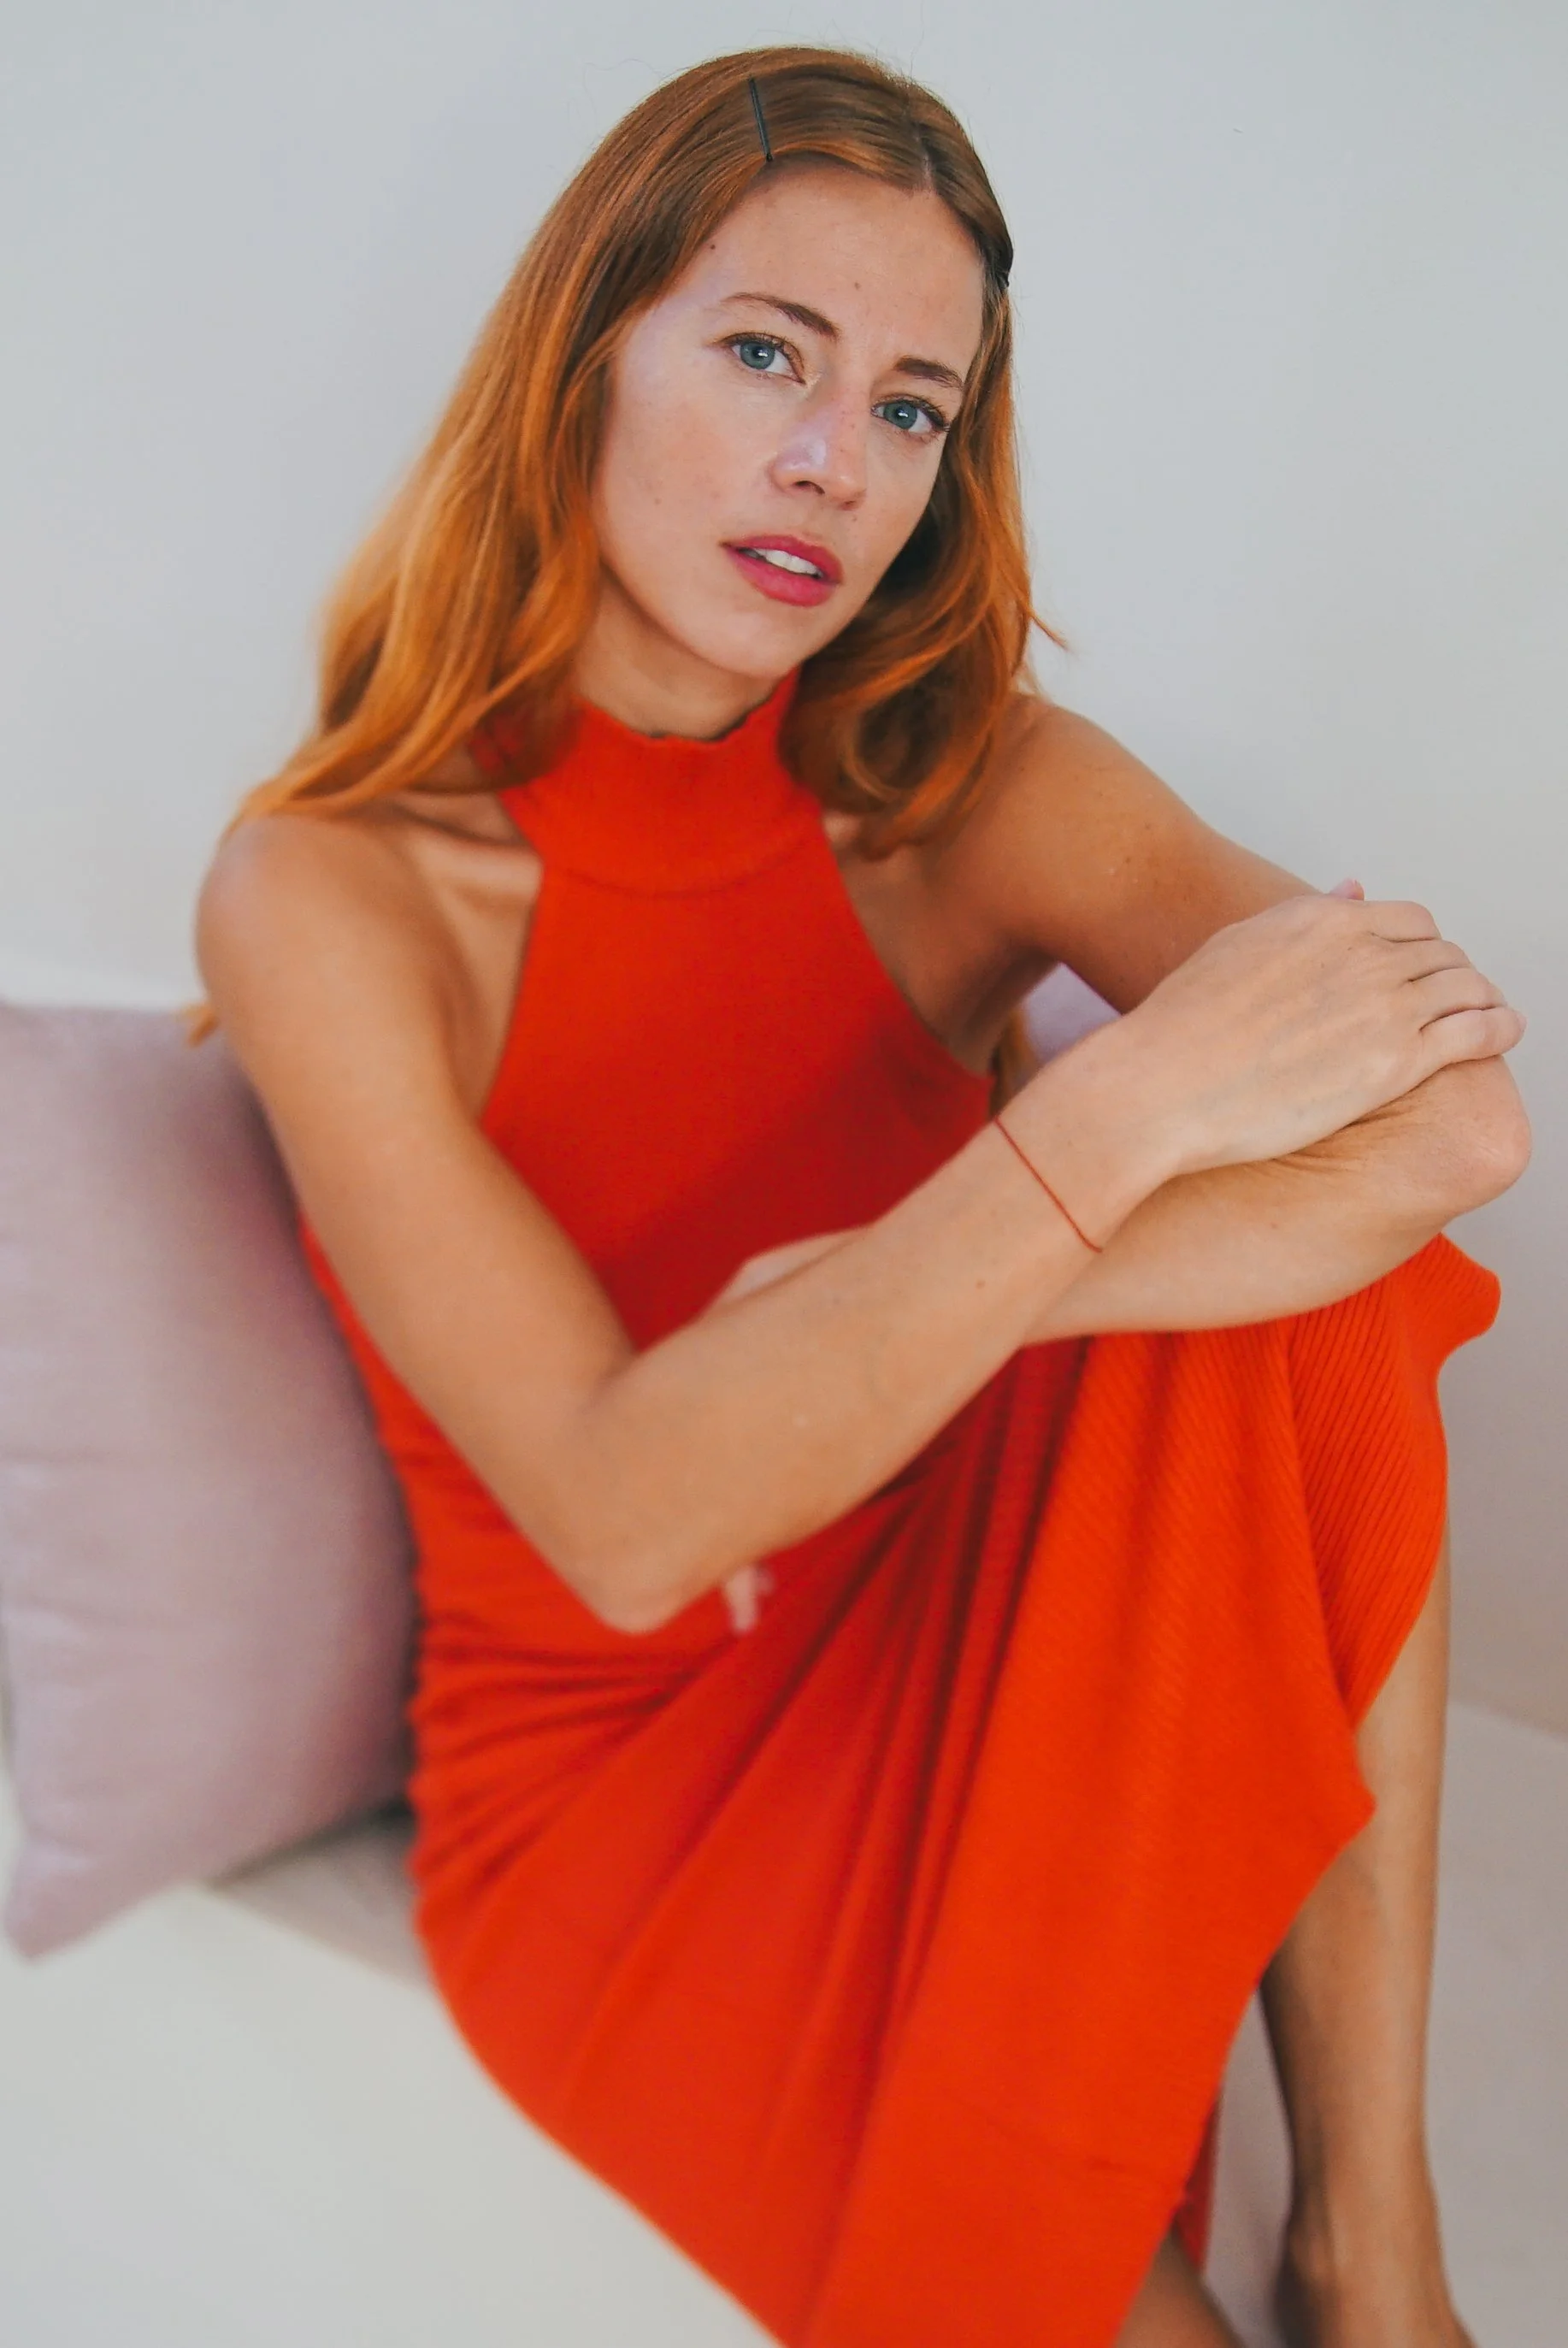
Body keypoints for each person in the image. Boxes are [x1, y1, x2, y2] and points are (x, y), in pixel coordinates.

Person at [194, 46, 1529, 2348]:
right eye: (761, 355)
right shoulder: (333, 893)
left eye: (914, 406)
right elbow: (625, 1518)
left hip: (942, 1577)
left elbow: (1456, 1134)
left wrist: (936, 1294)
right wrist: (1101, 1137)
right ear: (579, 356)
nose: (835, 461)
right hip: (636, 1784)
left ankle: (1368, 2230)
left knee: (1330, 1298)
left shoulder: (974, 781)